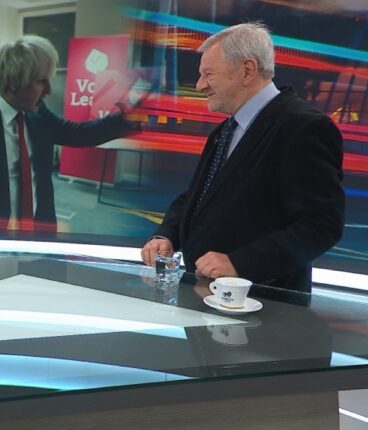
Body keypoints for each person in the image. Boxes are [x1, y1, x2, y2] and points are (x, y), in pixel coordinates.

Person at [141, 22, 344, 292]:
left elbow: (321, 225)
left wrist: (240, 263)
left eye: (208, 74)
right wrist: (166, 235)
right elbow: (198, 198)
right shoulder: (225, 130)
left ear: (247, 70)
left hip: (265, 303)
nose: (200, 85)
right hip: (207, 295)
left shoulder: (304, 127)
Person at [0, 35, 140, 231]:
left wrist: (123, 120)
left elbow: (76, 133)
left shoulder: (38, 113)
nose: (49, 90)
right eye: (42, 81)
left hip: (38, 232)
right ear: (13, 82)